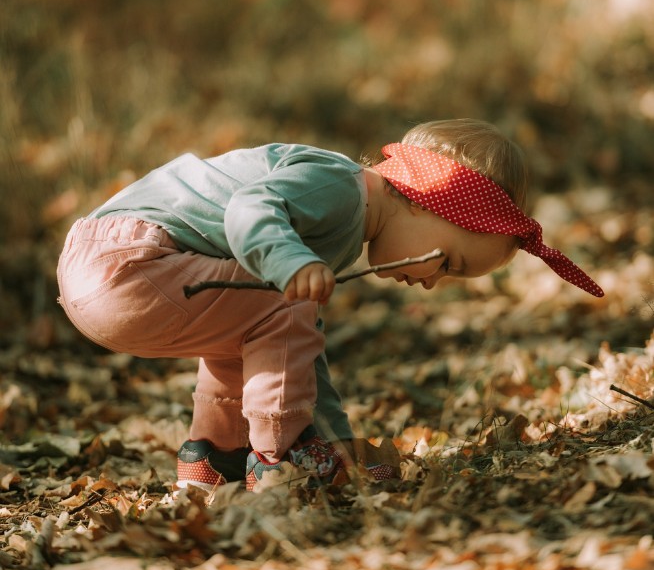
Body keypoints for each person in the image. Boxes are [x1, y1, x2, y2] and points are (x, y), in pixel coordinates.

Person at [56, 119, 603, 493]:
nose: (433, 282)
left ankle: (213, 457)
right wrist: (289, 263)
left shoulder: (342, 223)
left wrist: (338, 441)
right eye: (447, 261)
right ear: (421, 200)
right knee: (277, 305)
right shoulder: (340, 186)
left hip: (116, 275)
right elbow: (251, 205)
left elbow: (301, 356)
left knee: (255, 328)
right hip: (126, 261)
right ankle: (280, 460)